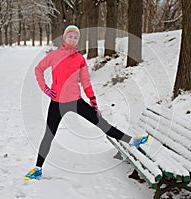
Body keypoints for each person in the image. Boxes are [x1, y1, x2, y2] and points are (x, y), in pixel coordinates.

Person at [24, 25, 150, 180]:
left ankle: (131, 141)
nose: (73, 39)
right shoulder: (54, 55)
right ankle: (38, 169)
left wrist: (93, 102)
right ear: (65, 37)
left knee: (101, 123)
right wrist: (45, 88)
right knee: (49, 135)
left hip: (76, 101)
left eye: (76, 37)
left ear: (78, 40)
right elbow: (38, 69)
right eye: (70, 36)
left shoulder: (79, 59)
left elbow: (86, 82)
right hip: (57, 103)